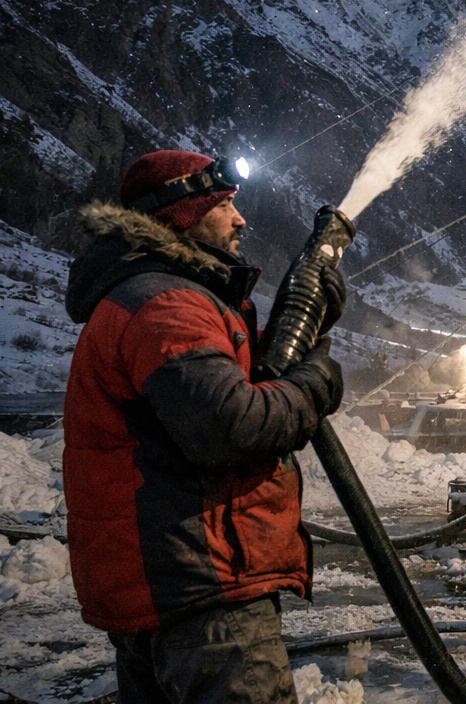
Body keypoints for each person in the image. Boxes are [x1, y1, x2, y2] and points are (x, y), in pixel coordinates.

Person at [63, 150, 346, 704]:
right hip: (205, 593)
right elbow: (230, 425)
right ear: (182, 216)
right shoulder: (166, 305)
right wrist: (316, 383)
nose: (240, 220)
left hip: (173, 586)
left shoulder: (150, 296)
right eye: (223, 207)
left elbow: (223, 390)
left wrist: (307, 322)